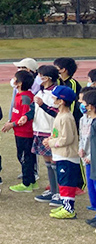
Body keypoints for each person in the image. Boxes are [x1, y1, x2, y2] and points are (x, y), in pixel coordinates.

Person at [45, 86, 81, 219]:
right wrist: (51, 139)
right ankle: (64, 204)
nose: (52, 99)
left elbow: (67, 138)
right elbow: (59, 134)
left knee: (67, 182)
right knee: (62, 181)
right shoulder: (60, 115)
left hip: (67, 156)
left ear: (61, 101)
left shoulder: (66, 117)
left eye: (54, 97)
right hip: (60, 154)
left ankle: (69, 209)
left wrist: (52, 142)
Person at [32, 65, 61, 206]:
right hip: (38, 130)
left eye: (40, 75)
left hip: (50, 131)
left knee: (55, 162)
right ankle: (52, 190)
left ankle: (59, 193)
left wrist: (43, 105)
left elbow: (57, 113)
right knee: (47, 163)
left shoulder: (55, 93)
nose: (38, 78)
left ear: (47, 77)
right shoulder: (40, 92)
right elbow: (34, 110)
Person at [5, 70, 38, 193]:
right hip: (19, 132)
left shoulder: (25, 97)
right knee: (25, 156)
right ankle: (32, 181)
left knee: (25, 157)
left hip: (25, 133)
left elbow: (24, 117)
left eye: (15, 78)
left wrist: (11, 124)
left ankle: (27, 183)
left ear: (19, 83)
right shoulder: (20, 95)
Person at [77, 87, 96, 224]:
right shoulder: (84, 120)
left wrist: (90, 155)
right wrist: (81, 150)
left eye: (82, 101)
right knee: (91, 187)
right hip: (89, 160)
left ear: (90, 106)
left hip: (93, 159)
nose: (80, 104)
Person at [54, 57, 82, 125]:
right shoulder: (58, 81)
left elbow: (72, 101)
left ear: (63, 70)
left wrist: (70, 117)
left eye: (56, 67)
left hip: (72, 116)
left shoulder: (72, 83)